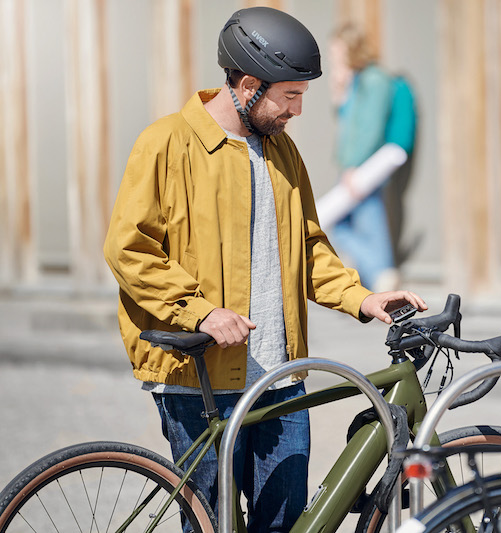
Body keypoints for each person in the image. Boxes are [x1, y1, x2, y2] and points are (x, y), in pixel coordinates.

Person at [102, 7, 426, 532]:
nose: (298, 110)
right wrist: (200, 311)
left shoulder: (283, 152)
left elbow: (308, 247)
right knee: (210, 525)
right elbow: (129, 250)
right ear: (249, 84)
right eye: (290, 96)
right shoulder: (166, 144)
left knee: (284, 524)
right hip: (198, 381)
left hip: (281, 377)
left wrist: (361, 298)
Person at [319, 23, 417, 292]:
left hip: (365, 166)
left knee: (363, 218)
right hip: (353, 164)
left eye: (335, 49)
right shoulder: (355, 79)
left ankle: (382, 273)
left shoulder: (374, 80)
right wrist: (339, 92)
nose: (331, 55)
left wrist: (354, 166)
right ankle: (378, 274)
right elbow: (345, 123)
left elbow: (370, 128)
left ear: (349, 48)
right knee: (357, 220)